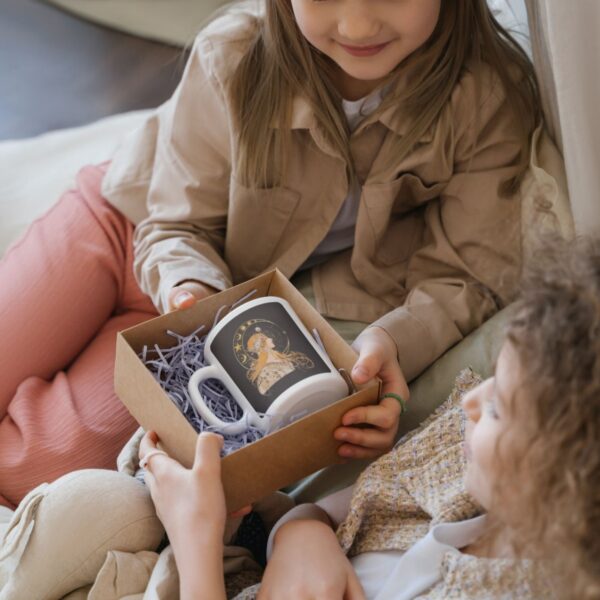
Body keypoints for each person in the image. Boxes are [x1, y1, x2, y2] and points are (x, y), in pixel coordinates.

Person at [0, 0, 543, 508]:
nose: (356, 26)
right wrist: (188, 288)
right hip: (129, 223)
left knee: (34, 467)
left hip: (218, 324)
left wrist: (394, 344)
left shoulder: (487, 99)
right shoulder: (235, 52)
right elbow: (173, 221)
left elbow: (466, 276)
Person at [137, 237, 600, 599]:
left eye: (499, 408)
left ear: (568, 482)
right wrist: (303, 535)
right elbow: (321, 510)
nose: (469, 403)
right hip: (235, 546)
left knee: (94, 508)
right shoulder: (467, 466)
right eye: (494, 377)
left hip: (202, 567)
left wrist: (195, 541)